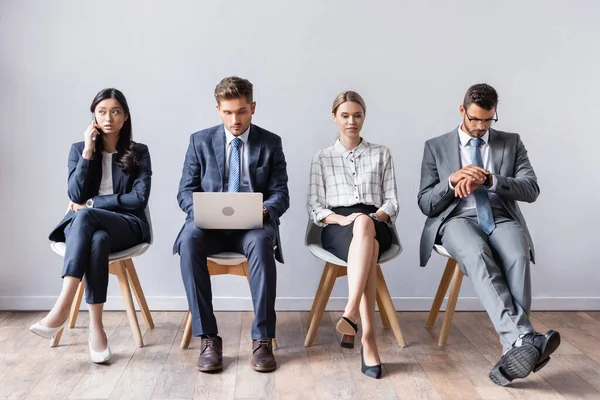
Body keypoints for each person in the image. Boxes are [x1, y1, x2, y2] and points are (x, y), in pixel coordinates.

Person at [417, 83, 560, 386]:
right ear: (462, 110)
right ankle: (523, 337)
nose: (481, 127)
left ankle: (514, 349)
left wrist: (492, 180)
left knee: (518, 254)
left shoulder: (511, 142)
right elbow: (426, 203)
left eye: (488, 120)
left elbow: (531, 189)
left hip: (500, 216)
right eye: (475, 120)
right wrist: (451, 179)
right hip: (456, 219)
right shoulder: (436, 146)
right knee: (477, 253)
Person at [174, 76, 289, 373]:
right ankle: (208, 338)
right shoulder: (199, 141)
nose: (235, 119)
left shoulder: (271, 142)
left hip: (252, 226)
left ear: (252, 107)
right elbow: (185, 190)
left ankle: (262, 340)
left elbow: (281, 193)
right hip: (209, 226)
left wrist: (264, 211)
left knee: (263, 243)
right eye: (227, 112)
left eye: (241, 111)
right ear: (218, 110)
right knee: (188, 240)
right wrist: (199, 210)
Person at [30, 88, 152, 364]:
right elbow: (75, 195)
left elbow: (138, 199)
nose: (108, 117)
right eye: (102, 111)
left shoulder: (139, 152)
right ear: (94, 116)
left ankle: (61, 307)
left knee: (86, 215)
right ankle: (96, 329)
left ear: (125, 116)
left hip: (127, 226)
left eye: (115, 111)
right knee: (96, 238)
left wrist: (94, 203)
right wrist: (87, 151)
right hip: (87, 230)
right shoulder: (78, 150)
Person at [307, 91, 399, 379]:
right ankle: (367, 338)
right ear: (335, 118)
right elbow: (315, 207)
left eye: (357, 115)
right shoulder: (321, 157)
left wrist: (372, 217)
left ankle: (351, 314)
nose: (351, 121)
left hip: (376, 220)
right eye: (345, 116)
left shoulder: (381, 152)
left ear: (364, 117)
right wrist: (343, 218)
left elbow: (392, 201)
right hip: (337, 226)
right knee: (365, 241)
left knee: (366, 228)